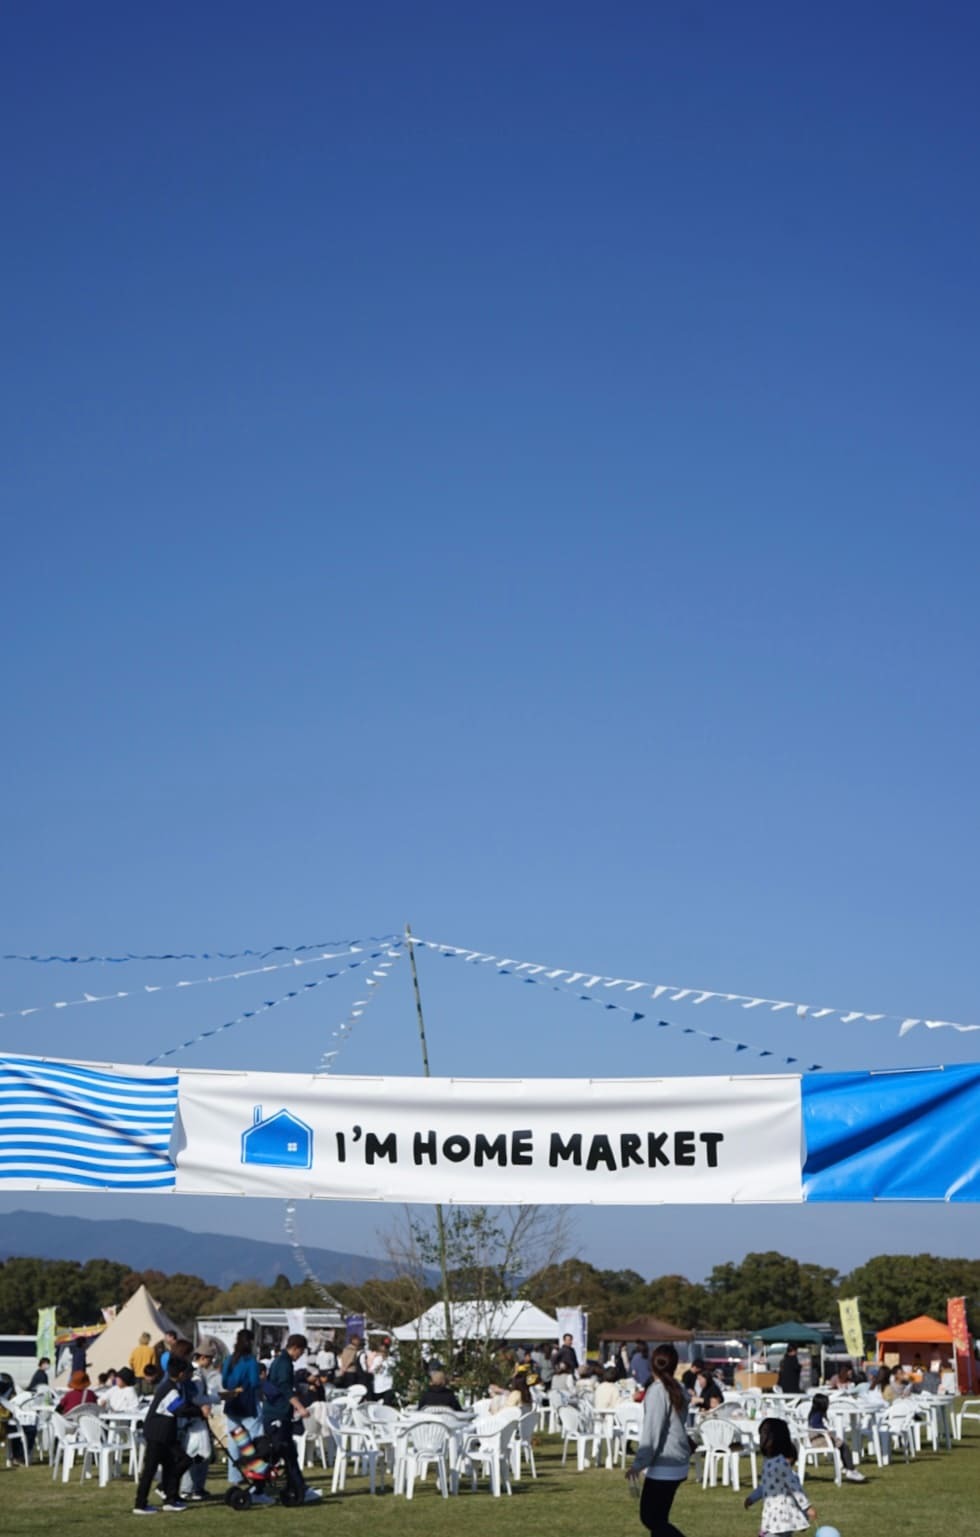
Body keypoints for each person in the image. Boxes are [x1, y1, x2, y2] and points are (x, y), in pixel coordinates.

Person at [625, 1343, 691, 1537]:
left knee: (651, 1518)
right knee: (659, 1520)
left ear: (652, 1364)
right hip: (677, 1460)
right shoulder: (677, 1388)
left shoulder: (658, 1390)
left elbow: (652, 1432)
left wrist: (639, 1464)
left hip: (665, 1462)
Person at [133, 1357, 201, 1515]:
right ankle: (140, 1504)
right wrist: (199, 1411)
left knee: (172, 1465)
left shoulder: (172, 1386)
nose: (189, 1376)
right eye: (188, 1373)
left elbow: (182, 1405)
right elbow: (179, 1410)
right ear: (181, 1373)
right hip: (158, 1434)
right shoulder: (170, 1389)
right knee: (150, 1470)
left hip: (165, 1434)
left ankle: (170, 1499)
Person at [262, 1333, 322, 1504]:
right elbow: (285, 1389)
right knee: (283, 1453)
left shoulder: (281, 1362)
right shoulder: (284, 1364)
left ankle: (296, 1487)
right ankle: (295, 1488)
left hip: (280, 1414)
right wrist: (300, 1407)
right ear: (295, 1348)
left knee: (288, 1454)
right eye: (301, 1352)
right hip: (278, 1415)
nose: (300, 1356)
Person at [743, 1417, 815, 1534]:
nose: (763, 1438)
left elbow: (794, 1488)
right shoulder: (767, 1462)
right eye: (762, 1434)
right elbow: (765, 1485)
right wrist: (752, 1498)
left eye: (766, 1435)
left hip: (783, 1517)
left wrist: (807, 1508)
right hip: (771, 1516)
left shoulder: (781, 1463)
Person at [221, 1329, 267, 1503]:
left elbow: (225, 1382)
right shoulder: (251, 1361)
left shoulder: (229, 1360)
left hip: (232, 1403)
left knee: (234, 1440)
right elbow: (254, 1382)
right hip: (248, 1403)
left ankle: (234, 1477)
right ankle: (257, 1474)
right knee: (256, 1440)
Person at [807, 1392, 866, 1482]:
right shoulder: (817, 1415)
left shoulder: (813, 1413)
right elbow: (816, 1425)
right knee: (844, 1447)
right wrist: (826, 1431)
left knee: (842, 1445)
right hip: (819, 1439)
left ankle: (847, 1468)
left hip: (817, 1438)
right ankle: (850, 1470)